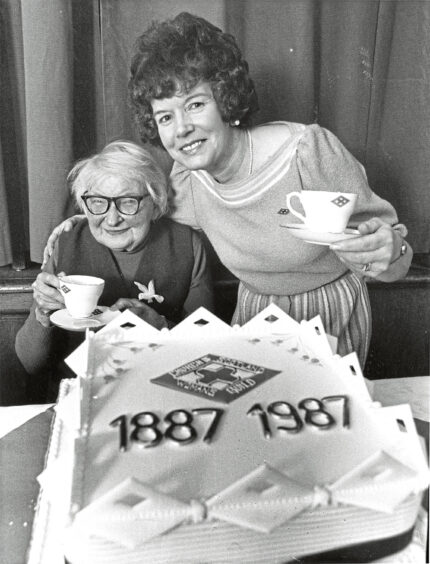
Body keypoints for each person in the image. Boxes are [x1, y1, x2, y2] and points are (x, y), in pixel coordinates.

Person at [44, 12, 412, 368]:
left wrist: (391, 252)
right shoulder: (188, 181)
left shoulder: (309, 152)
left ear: (227, 101)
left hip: (328, 315)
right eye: (165, 117)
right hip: (252, 317)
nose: (182, 128)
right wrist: (79, 223)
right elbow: (140, 208)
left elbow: (392, 256)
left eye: (196, 104)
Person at [16, 140, 213, 399]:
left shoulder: (187, 245)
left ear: (155, 202)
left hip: (161, 394)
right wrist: (42, 314)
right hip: (80, 396)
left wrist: (161, 325)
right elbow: (30, 363)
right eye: (98, 202)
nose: (112, 219)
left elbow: (208, 352)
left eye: (128, 202)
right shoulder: (66, 243)